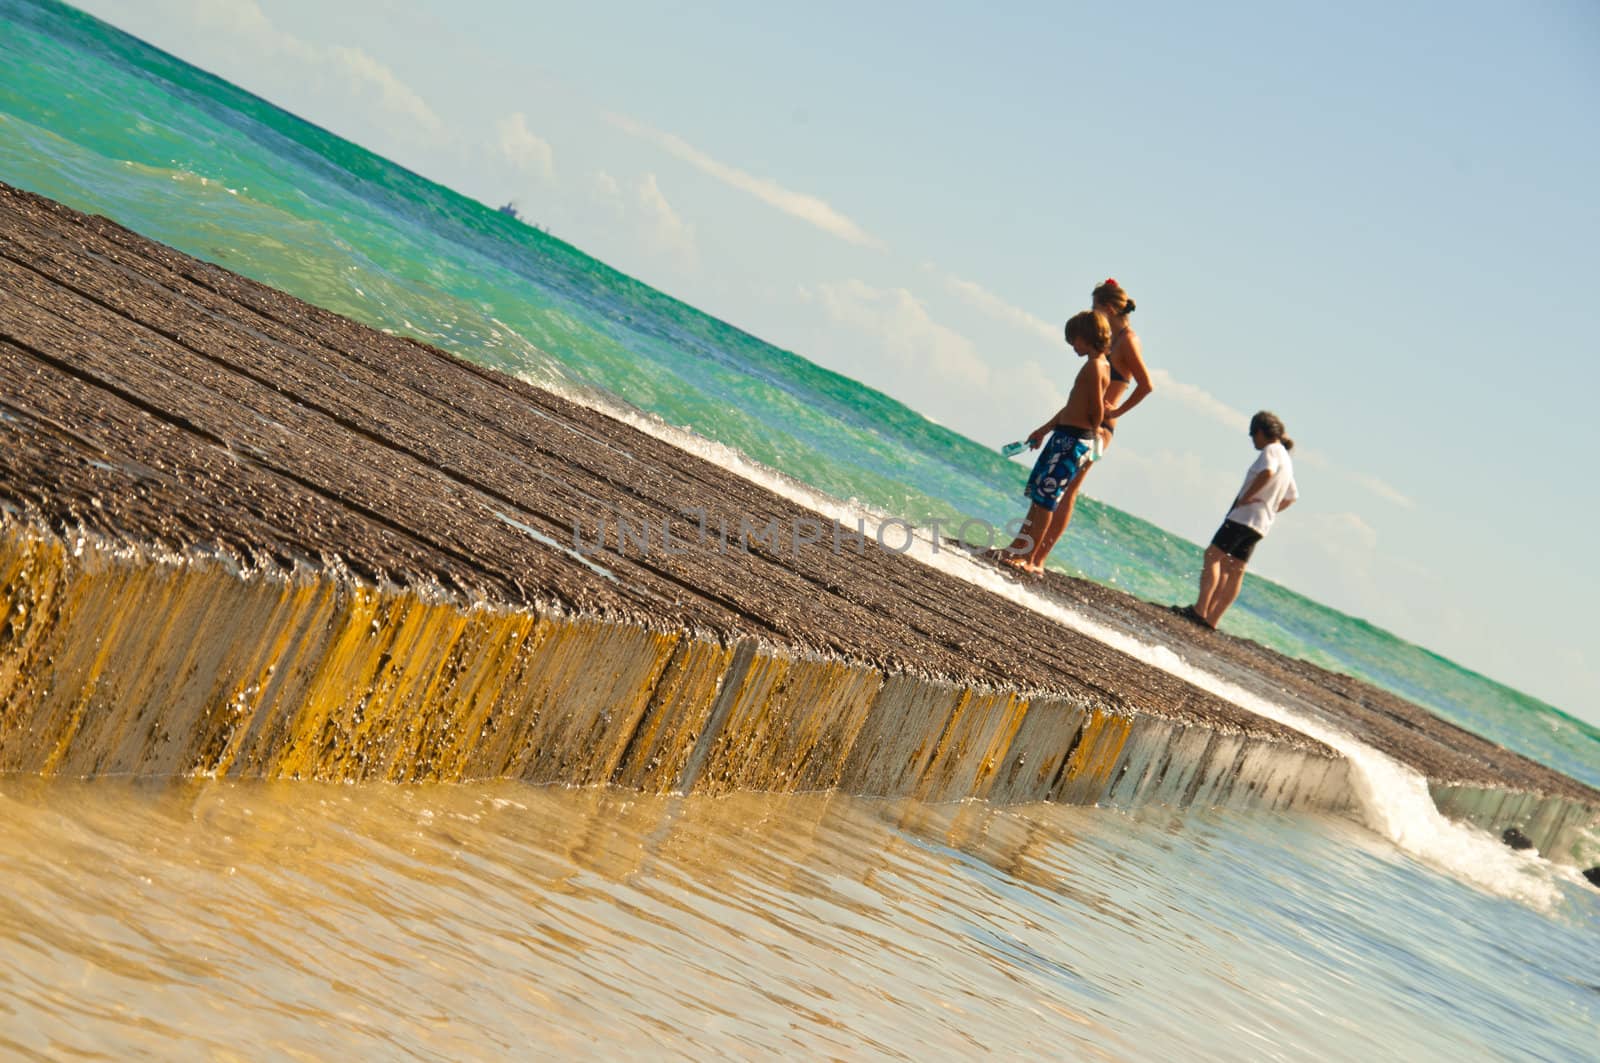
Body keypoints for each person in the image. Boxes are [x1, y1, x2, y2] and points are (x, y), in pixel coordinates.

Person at [1029, 278, 1154, 563]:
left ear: (1108, 308)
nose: (1091, 311)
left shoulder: (1128, 341)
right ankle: (1026, 550)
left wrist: (1116, 412)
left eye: (1094, 306)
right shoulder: (1106, 342)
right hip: (1077, 420)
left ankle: (1038, 558)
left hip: (1099, 427)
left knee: (1067, 490)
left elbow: (1146, 385)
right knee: (1050, 485)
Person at [997, 310, 1112, 574]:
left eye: (1075, 340)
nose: (1072, 346)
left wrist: (1093, 438)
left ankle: (1028, 556)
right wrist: (1045, 430)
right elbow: (1074, 405)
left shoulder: (1096, 367)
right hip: (1064, 435)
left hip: (1074, 441)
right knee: (1039, 497)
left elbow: (1095, 409)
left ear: (1087, 338)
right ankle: (1017, 548)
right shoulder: (1097, 365)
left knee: (1047, 499)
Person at [1183, 411, 1298, 628]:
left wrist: (1247, 498)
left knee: (1212, 555)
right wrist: (1271, 507)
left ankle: (1200, 609)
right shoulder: (1286, 458)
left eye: (1253, 435)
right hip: (1262, 523)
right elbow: (1292, 496)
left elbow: (1267, 473)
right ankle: (1212, 619)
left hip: (1245, 517)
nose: (1253, 440)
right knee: (1235, 569)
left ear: (1261, 432)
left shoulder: (1271, 451)